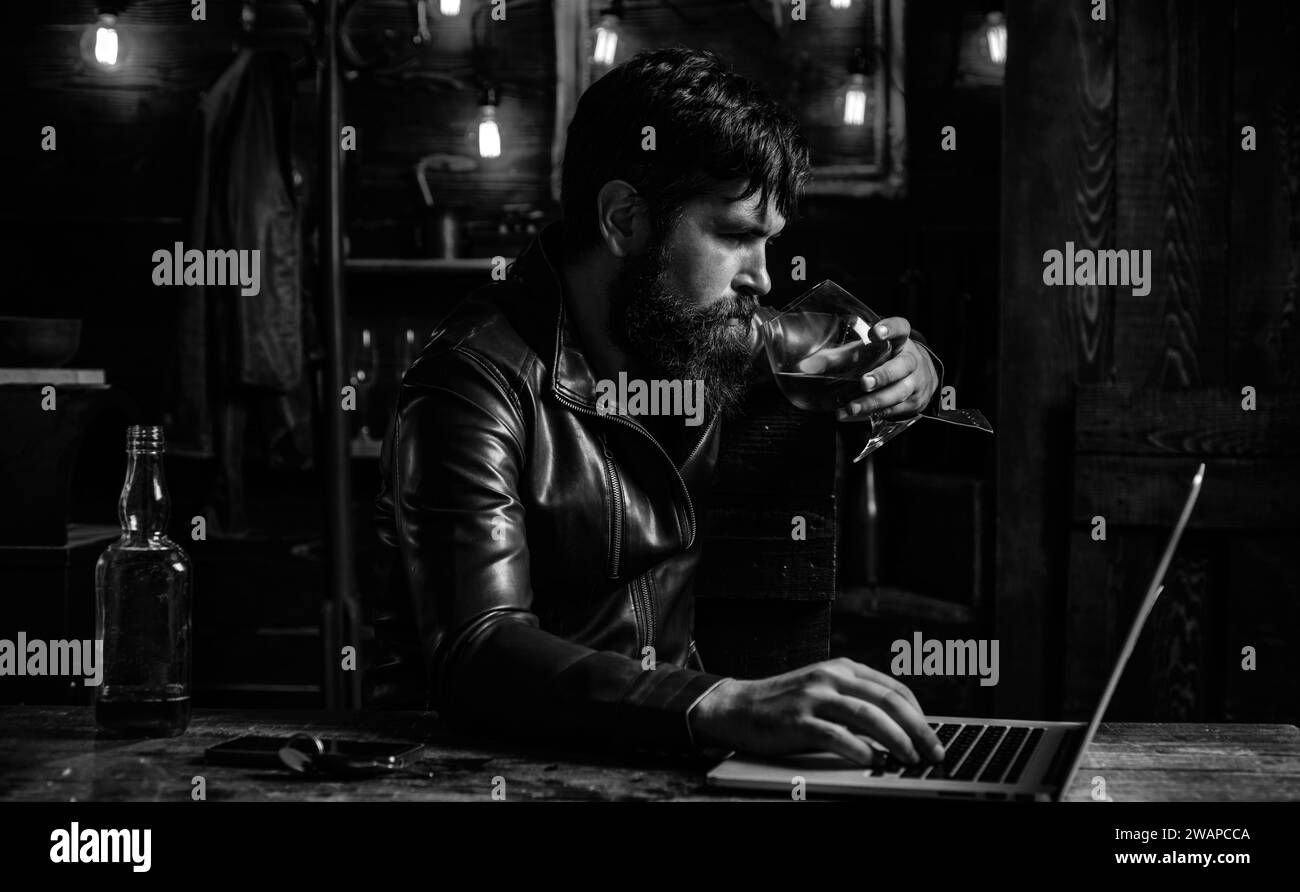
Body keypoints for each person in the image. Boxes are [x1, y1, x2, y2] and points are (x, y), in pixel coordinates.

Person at [370, 47, 945, 769]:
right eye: (736, 235)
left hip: (658, 755)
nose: (761, 278)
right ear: (625, 219)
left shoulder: (696, 325)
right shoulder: (471, 383)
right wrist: (721, 702)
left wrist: (913, 360)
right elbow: (478, 649)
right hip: (471, 770)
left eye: (768, 241)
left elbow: (845, 336)